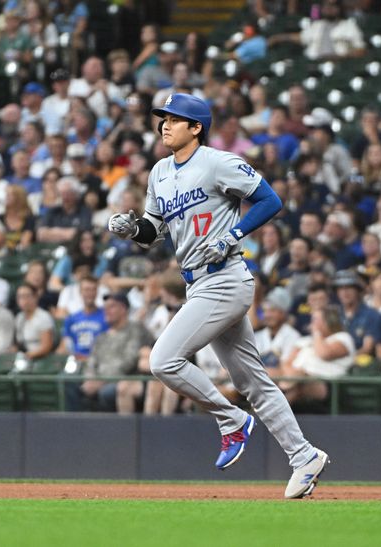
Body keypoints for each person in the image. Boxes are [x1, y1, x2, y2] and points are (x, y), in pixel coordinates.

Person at [108, 93, 328, 499]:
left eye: (174, 119)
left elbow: (270, 200)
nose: (164, 125)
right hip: (198, 282)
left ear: (196, 127)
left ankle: (231, 421)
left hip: (225, 278)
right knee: (252, 381)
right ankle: (303, 455)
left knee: (163, 360)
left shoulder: (217, 161)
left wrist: (233, 235)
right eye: (163, 119)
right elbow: (154, 232)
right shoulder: (159, 172)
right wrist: (132, 229)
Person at [70, 292, 152, 412]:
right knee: (70, 387)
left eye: (111, 307)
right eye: (105, 307)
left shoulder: (135, 329)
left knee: (106, 392)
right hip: (99, 381)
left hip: (125, 381)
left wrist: (103, 380)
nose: (106, 311)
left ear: (123, 309)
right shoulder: (101, 337)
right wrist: (90, 379)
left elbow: (129, 360)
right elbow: (91, 363)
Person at [272, 305, 355, 405]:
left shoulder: (343, 337)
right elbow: (286, 363)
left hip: (328, 383)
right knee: (266, 373)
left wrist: (317, 332)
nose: (312, 322)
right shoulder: (304, 340)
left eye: (316, 319)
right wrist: (293, 374)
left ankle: (270, 416)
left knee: (299, 384)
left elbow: (323, 353)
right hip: (294, 377)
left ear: (329, 321)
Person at [12, 283, 54, 361]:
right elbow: (18, 343)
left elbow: (46, 347)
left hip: (40, 359)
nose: (23, 300)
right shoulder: (19, 317)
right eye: (20, 297)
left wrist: (27, 355)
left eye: (26, 296)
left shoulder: (43, 317)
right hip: (23, 358)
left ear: (35, 297)